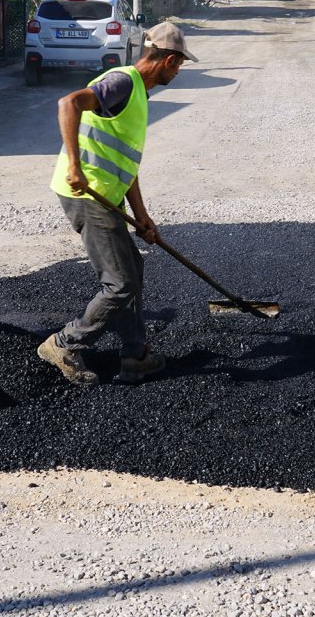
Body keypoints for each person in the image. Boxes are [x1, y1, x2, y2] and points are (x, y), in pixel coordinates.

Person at [37, 22, 197, 386]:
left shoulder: (138, 93)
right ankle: (64, 343)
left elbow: (126, 164)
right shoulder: (124, 81)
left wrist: (142, 217)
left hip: (107, 194)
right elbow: (69, 103)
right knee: (120, 282)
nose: (178, 71)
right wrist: (75, 166)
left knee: (132, 267)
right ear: (168, 60)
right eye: (179, 65)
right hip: (86, 192)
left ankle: (134, 356)